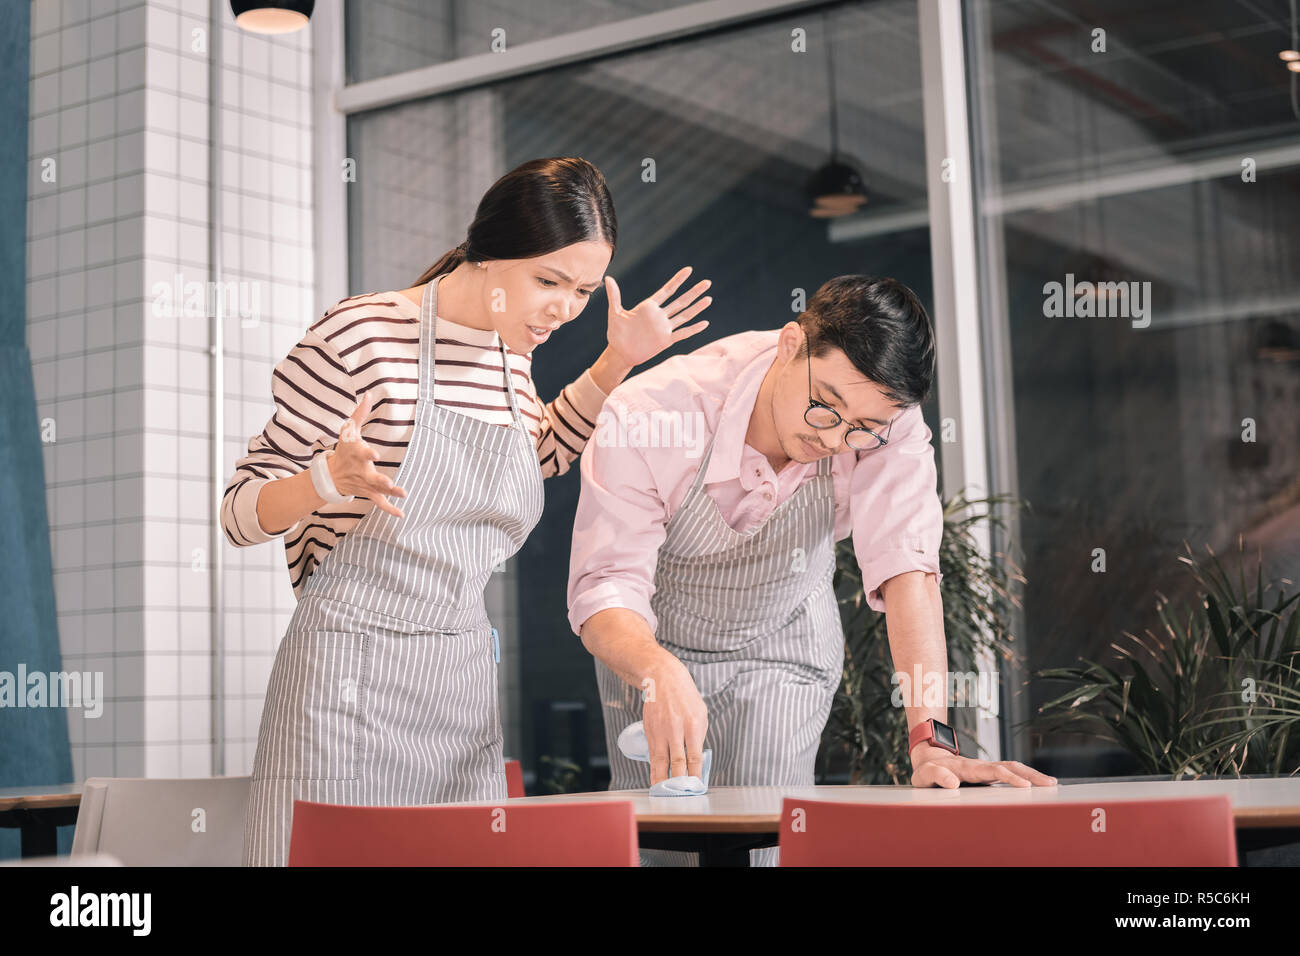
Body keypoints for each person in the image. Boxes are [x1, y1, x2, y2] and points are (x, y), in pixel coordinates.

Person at [222, 156, 713, 866]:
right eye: (548, 281)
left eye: (580, 289)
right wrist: (324, 482)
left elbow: (538, 451)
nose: (563, 309)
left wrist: (615, 362)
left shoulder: (510, 354)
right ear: (487, 254)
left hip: (459, 686)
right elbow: (238, 513)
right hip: (348, 678)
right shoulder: (359, 337)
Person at [568, 275, 1056, 866]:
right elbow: (605, 584)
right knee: (663, 845)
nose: (835, 437)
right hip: (649, 647)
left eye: (860, 430)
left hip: (784, 643)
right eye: (825, 406)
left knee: (763, 843)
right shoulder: (654, 412)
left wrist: (932, 740)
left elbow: (909, 573)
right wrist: (655, 671)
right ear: (791, 344)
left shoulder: (886, 421)